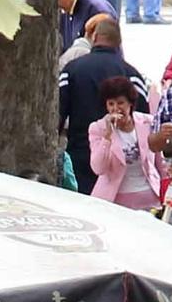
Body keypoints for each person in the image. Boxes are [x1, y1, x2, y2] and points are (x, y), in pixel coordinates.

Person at [56, 15, 135, 186]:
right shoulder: (131, 74)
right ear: (118, 42)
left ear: (95, 37)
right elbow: (141, 117)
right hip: (122, 161)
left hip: (80, 153)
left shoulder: (72, 70)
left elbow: (58, 114)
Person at [86, 83, 169, 210]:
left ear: (130, 104)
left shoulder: (148, 122)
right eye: (111, 104)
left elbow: (160, 162)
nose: (116, 108)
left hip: (150, 198)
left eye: (120, 103)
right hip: (114, 201)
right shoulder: (98, 128)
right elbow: (98, 168)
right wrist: (107, 136)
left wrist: (166, 191)